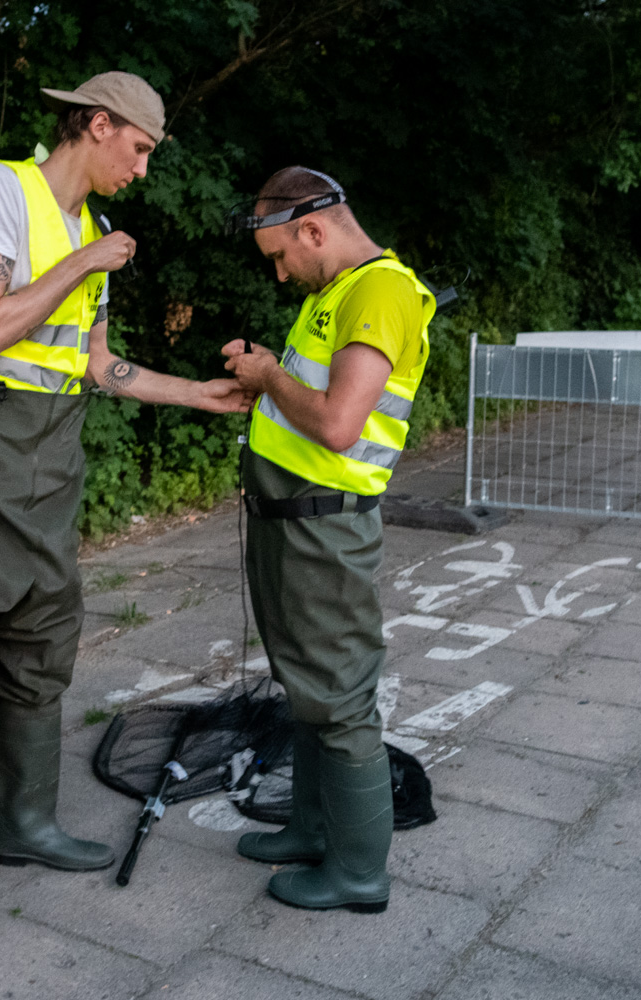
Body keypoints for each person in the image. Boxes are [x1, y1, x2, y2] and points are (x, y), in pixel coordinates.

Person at [0, 71, 249, 958]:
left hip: (47, 460)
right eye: (137, 150)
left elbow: (95, 365)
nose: (141, 171)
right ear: (97, 125)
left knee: (42, 640)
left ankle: (26, 822)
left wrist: (197, 397)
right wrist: (85, 262)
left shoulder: (87, 230)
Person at [221, 166, 437, 913]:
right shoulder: (336, 291)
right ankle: (311, 828)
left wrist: (268, 374)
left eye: (282, 256)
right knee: (308, 686)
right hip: (294, 523)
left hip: (325, 531)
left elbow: (339, 424)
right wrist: (270, 385)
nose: (281, 274)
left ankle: (357, 871)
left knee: (339, 698)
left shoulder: (379, 291)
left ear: (314, 229)